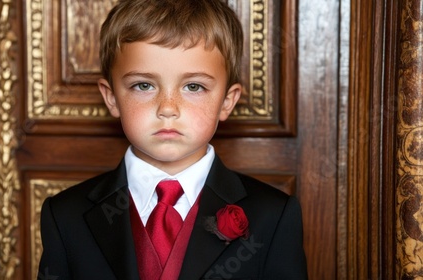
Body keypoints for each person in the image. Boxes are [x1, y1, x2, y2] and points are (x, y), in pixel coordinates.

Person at [37, 0, 308, 279]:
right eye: (144, 85)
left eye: (193, 86)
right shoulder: (66, 215)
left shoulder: (273, 215)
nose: (167, 107)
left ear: (227, 101)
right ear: (111, 97)